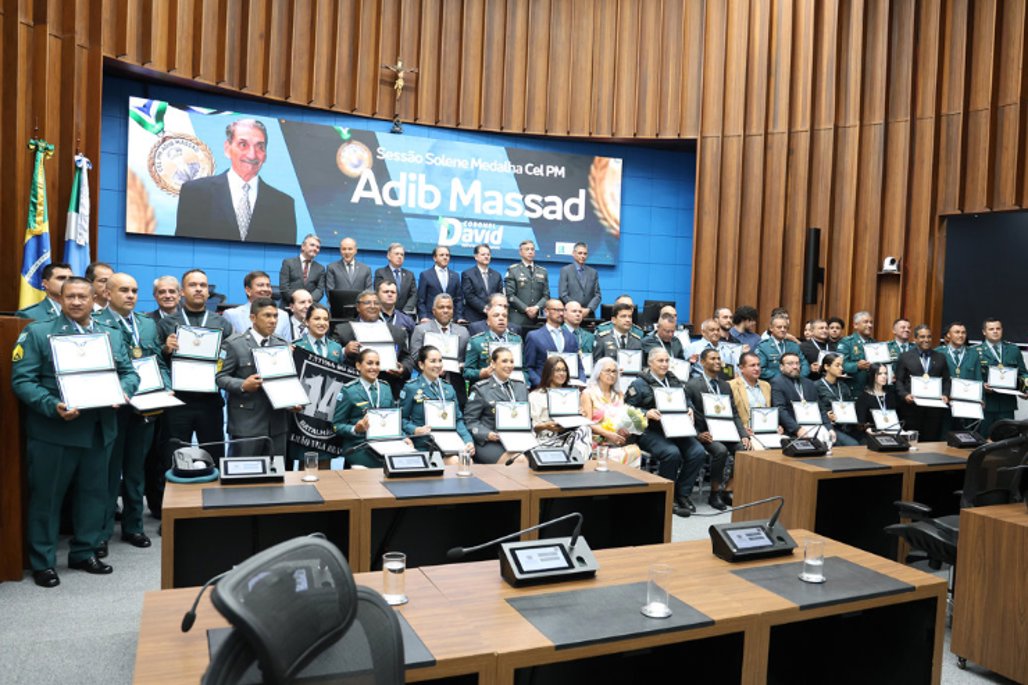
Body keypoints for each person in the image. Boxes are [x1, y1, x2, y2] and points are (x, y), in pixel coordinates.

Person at [11, 277, 139, 587]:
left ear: (95, 298)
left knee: (95, 496)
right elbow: (22, 381)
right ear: (61, 298)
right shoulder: (38, 332)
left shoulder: (109, 335)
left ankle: (84, 551)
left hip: (99, 430)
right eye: (71, 297)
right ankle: (42, 561)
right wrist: (51, 403)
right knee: (48, 498)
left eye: (83, 297)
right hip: (55, 431)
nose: (77, 302)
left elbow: (129, 374)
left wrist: (123, 392)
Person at [94, 273, 169, 553]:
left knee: (136, 470)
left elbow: (158, 361)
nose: (130, 295)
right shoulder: (97, 323)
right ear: (107, 293)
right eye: (123, 290)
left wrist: (167, 386)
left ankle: (134, 526)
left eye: (135, 291)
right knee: (110, 473)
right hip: (113, 408)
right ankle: (100, 533)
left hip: (145, 406)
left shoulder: (147, 325)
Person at [155, 269, 235, 476]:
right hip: (177, 403)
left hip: (210, 402)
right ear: (182, 292)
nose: (198, 289)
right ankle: (173, 506)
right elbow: (156, 364)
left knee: (214, 455)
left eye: (203, 285)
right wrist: (165, 349)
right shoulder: (165, 324)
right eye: (192, 285)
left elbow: (228, 362)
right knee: (172, 456)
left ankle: (216, 505)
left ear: (208, 292)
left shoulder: (223, 324)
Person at [175, 118, 296, 242]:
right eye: (243, 144)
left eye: (260, 147)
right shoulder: (195, 193)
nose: (252, 155)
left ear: (265, 155)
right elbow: (183, 251)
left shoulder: (284, 204)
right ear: (227, 148)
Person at [625, 348, 707, 516]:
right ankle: (666, 496)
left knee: (698, 452)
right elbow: (628, 409)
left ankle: (682, 493)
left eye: (666, 361)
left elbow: (688, 401)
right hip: (651, 430)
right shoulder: (638, 384)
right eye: (660, 361)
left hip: (677, 428)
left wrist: (690, 409)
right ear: (650, 363)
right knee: (672, 453)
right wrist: (645, 413)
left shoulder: (674, 381)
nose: (664, 364)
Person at [216, 298, 298, 456]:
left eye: (275, 316)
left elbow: (286, 381)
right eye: (267, 316)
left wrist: (292, 400)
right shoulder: (233, 344)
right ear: (253, 318)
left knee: (276, 476)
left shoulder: (282, 345)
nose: (273, 321)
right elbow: (219, 377)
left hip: (277, 424)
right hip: (246, 424)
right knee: (244, 476)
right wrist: (242, 385)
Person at [685, 348, 748, 509]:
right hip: (706, 434)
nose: (718, 362)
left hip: (727, 431)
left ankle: (728, 490)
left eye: (719, 358)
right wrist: (698, 434)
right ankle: (714, 493)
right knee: (720, 451)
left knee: (743, 449)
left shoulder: (725, 386)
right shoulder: (692, 385)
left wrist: (743, 435)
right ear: (702, 362)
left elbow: (734, 413)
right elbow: (686, 416)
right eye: (713, 359)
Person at [401, 346, 474, 461]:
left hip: (450, 443)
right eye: (433, 361)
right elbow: (401, 419)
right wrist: (415, 430)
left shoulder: (448, 388)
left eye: (440, 361)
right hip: (425, 445)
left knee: (466, 460)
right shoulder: (411, 388)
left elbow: (458, 419)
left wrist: (467, 440)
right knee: (457, 462)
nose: (438, 365)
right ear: (421, 365)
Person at [333, 290, 411, 397]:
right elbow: (331, 357)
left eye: (376, 303)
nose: (372, 306)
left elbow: (407, 358)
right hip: (353, 391)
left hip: (389, 388)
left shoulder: (397, 332)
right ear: (357, 307)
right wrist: (344, 351)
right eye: (367, 303)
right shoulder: (343, 331)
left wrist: (403, 369)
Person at [333, 348, 400, 468]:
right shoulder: (349, 391)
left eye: (377, 363)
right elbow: (337, 425)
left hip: (385, 443)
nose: (374, 367)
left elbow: (393, 419)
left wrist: (404, 438)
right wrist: (355, 429)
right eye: (369, 363)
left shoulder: (386, 388)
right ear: (358, 365)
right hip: (360, 446)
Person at [464, 347, 530, 464]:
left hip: (518, 439)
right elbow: (470, 421)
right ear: (493, 364)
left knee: (541, 457)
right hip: (491, 442)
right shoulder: (481, 389)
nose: (509, 365)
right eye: (504, 361)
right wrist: (487, 434)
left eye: (511, 361)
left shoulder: (521, 387)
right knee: (518, 460)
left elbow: (527, 418)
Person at [581, 357, 645, 467]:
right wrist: (608, 434)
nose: (611, 374)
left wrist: (625, 430)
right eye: (608, 371)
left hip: (616, 441)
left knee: (635, 451)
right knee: (617, 456)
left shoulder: (619, 394)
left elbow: (622, 418)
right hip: (597, 441)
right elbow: (586, 423)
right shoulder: (588, 393)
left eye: (614, 371)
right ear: (598, 373)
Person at [410, 293, 471, 407]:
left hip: (456, 383)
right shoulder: (421, 330)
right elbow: (414, 357)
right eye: (441, 307)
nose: (445, 310)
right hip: (427, 382)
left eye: (449, 307)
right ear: (433, 310)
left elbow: (467, 358)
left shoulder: (463, 332)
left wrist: (460, 366)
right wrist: (433, 368)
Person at [893, 324, 950, 442]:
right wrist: (904, 395)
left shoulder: (940, 357)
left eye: (929, 337)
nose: (926, 340)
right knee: (912, 441)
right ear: (915, 339)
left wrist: (945, 394)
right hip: (912, 407)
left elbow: (946, 380)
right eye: (922, 337)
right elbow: (899, 380)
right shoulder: (905, 357)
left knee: (931, 440)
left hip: (934, 408)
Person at [976, 317, 1028, 435]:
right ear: (984, 332)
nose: (995, 331)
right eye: (991, 329)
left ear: (1002, 330)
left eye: (998, 328)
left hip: (1007, 405)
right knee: (982, 440)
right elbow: (972, 378)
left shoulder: (1013, 349)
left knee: (1008, 442)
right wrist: (982, 386)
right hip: (986, 405)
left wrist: (1026, 388)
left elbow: (1023, 373)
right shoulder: (975, 351)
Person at [770, 352, 834, 442]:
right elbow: (780, 409)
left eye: (797, 363)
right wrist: (797, 429)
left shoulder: (809, 383)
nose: (795, 367)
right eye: (790, 364)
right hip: (794, 429)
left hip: (815, 426)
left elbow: (820, 408)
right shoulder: (777, 383)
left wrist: (829, 427)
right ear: (781, 367)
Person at [524, 299, 583, 387]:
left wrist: (582, 383)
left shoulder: (571, 337)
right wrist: (541, 385)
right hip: (543, 389)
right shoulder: (534, 336)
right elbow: (529, 368)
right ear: (546, 312)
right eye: (557, 310)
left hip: (568, 389)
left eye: (562, 310)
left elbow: (579, 367)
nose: (561, 314)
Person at [937, 321, 981, 431]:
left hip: (966, 403)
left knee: (965, 435)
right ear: (948, 335)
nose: (960, 335)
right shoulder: (938, 353)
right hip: (945, 403)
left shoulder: (973, 354)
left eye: (963, 332)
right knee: (943, 435)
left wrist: (981, 399)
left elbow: (978, 378)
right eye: (957, 332)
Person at [729, 351, 781, 444]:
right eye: (752, 365)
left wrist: (777, 425)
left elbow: (771, 410)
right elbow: (731, 414)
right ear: (741, 368)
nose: (757, 368)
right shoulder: (731, 386)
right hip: (747, 432)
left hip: (768, 431)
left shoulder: (766, 385)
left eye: (758, 365)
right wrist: (742, 430)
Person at [222, 270, 292, 338]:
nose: (266, 289)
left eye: (268, 285)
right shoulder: (232, 315)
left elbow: (288, 346)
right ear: (248, 290)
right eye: (260, 285)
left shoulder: (283, 315)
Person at [464, 305, 523, 383]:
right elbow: (467, 372)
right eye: (496, 316)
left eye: (504, 316)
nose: (501, 318)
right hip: (487, 388)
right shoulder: (476, 341)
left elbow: (524, 369)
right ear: (488, 322)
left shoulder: (517, 340)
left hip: (513, 386)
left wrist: (524, 384)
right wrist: (481, 373)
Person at [814, 353, 861, 446]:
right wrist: (825, 415)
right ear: (826, 366)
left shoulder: (843, 386)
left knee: (866, 441)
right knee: (853, 445)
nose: (841, 368)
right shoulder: (816, 386)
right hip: (830, 426)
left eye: (841, 365)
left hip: (847, 425)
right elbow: (813, 409)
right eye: (837, 365)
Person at [529, 356, 579, 441]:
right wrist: (546, 426)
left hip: (569, 435)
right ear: (549, 372)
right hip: (546, 438)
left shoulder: (571, 395)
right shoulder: (536, 396)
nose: (562, 373)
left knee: (585, 429)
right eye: (557, 370)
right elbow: (532, 426)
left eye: (564, 370)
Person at [504, 240, 549, 326]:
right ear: (520, 252)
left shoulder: (543, 271)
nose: (530, 251)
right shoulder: (513, 270)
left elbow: (546, 296)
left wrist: (536, 308)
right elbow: (510, 295)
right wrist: (526, 309)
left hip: (536, 317)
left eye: (532, 249)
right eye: (527, 249)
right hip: (517, 317)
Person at [417, 245, 463, 321]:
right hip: (430, 318)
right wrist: (423, 316)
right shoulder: (425, 275)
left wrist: (458, 317)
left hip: (450, 319)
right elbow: (421, 300)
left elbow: (459, 299)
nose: (445, 257)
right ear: (435, 258)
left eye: (447, 255)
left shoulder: (455, 276)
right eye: (441, 255)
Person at [460, 243, 503, 324]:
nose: (486, 256)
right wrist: (484, 308)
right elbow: (469, 295)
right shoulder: (468, 274)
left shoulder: (497, 275)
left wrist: (493, 309)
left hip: (493, 317)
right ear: (476, 257)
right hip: (474, 317)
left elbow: (500, 295)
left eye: (488, 254)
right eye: (483, 254)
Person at [756, 315, 809, 380]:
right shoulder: (763, 347)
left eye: (785, 327)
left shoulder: (793, 346)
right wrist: (782, 378)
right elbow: (761, 369)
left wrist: (799, 377)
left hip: (795, 381)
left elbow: (804, 364)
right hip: (773, 384)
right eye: (779, 327)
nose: (783, 329)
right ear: (771, 328)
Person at [279, 233, 325, 306]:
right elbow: (284, 287)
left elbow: (320, 290)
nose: (315, 249)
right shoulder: (288, 263)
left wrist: (307, 302)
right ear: (303, 246)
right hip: (289, 306)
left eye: (318, 247)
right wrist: (297, 301)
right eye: (312, 245)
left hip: (310, 308)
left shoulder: (320, 268)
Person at [558, 242, 601, 317]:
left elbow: (597, 295)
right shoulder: (565, 270)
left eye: (585, 254)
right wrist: (577, 309)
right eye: (580, 253)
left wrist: (588, 309)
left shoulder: (593, 272)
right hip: (570, 314)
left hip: (588, 315)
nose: (583, 256)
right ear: (573, 253)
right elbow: (563, 294)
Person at [373, 242, 417, 315]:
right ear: (389, 256)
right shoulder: (380, 272)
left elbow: (413, 295)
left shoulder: (409, 275)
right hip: (386, 313)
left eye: (402, 255)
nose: (399, 257)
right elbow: (379, 293)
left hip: (405, 314)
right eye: (396, 254)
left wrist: (405, 311)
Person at [856, 363, 900, 431]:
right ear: (872, 375)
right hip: (872, 433)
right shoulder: (864, 398)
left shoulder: (890, 395)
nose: (884, 376)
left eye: (885, 373)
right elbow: (861, 423)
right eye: (879, 374)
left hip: (891, 431)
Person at [841, 310, 876, 394]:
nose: (870, 325)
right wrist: (857, 366)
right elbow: (841, 364)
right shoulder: (847, 342)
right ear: (855, 325)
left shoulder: (875, 343)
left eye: (871, 322)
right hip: (853, 388)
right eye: (866, 322)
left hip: (871, 388)